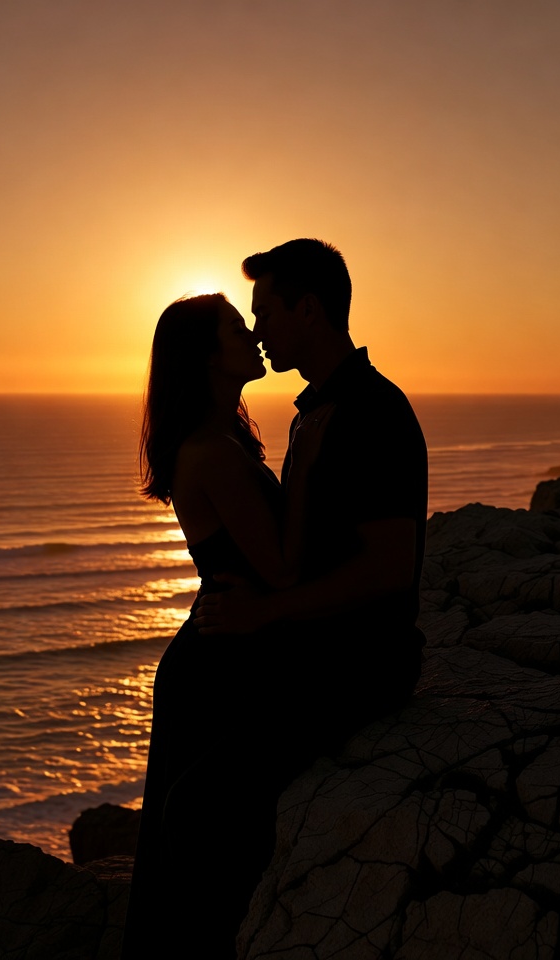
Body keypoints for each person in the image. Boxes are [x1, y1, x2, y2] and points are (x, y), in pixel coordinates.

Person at [122, 292, 328, 959]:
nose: (255, 336)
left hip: (223, 649)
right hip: (219, 664)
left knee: (189, 843)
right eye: (240, 330)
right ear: (210, 358)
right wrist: (311, 456)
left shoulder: (225, 438)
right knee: (197, 851)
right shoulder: (211, 451)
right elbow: (281, 568)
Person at [194, 237, 428, 753]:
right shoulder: (314, 413)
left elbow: (390, 568)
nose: (258, 333)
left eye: (266, 315)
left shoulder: (371, 411)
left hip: (358, 664)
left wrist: (263, 613)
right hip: (320, 648)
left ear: (307, 310)